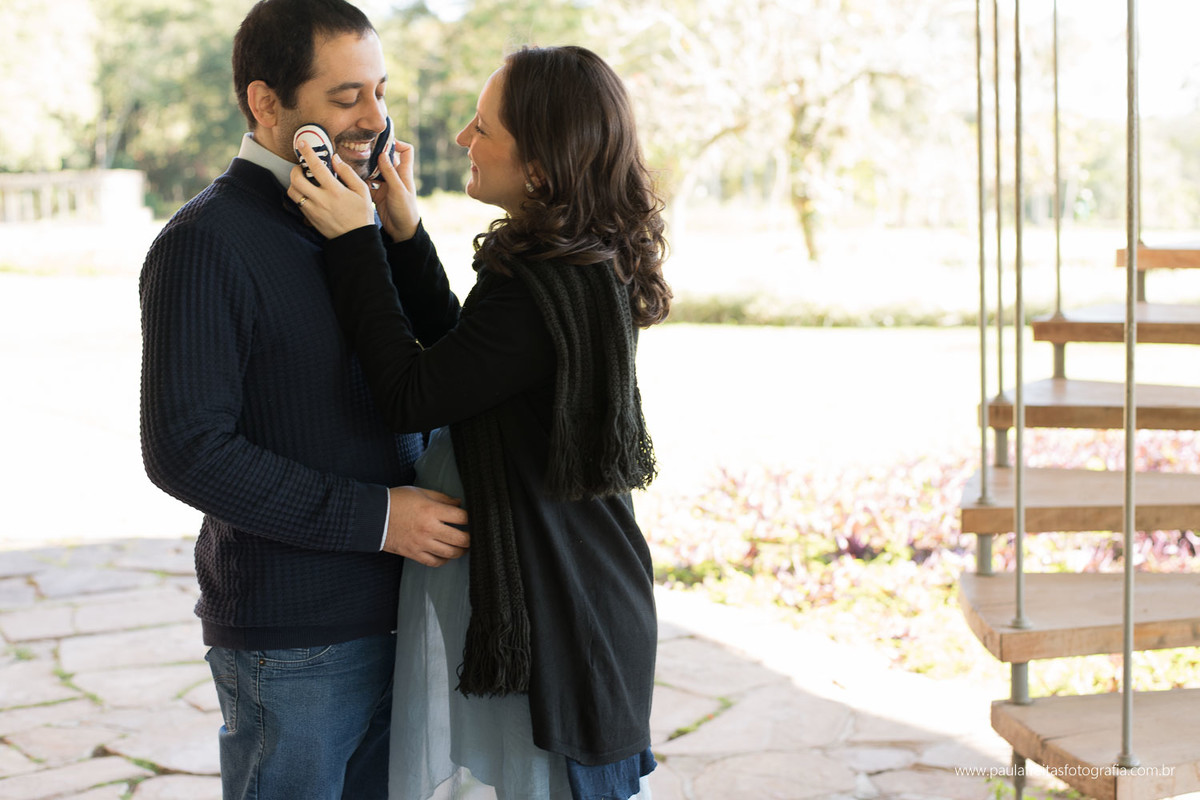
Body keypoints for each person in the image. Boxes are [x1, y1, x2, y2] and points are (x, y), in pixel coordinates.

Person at [288, 45, 672, 800]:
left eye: (483, 126)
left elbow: (412, 392)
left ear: (540, 163)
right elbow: (469, 364)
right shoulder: (569, 268)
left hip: (563, 610)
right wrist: (402, 236)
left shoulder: (543, 285)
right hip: (581, 586)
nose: (464, 139)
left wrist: (356, 241)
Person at [138, 1, 469, 797]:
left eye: (381, 92)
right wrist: (383, 518)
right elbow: (186, 448)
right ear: (266, 103)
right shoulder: (202, 243)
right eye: (346, 96)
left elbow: (440, 373)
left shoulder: (356, 217)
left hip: (404, 616)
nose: (376, 119)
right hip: (294, 644)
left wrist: (401, 236)